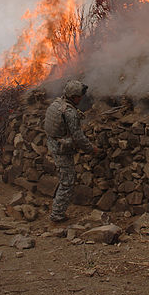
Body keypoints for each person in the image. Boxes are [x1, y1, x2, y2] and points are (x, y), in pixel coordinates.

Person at [44, 80, 98, 222]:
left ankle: (57, 212)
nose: (81, 98)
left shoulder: (56, 104)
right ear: (73, 97)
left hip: (53, 144)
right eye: (79, 96)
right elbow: (78, 137)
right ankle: (57, 215)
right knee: (67, 182)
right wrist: (92, 149)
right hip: (61, 149)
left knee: (64, 178)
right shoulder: (69, 112)